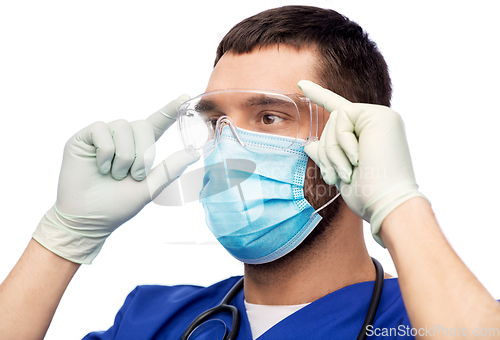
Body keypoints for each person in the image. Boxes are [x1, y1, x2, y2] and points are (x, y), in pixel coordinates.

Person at [0, 5, 499, 340]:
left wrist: (397, 204)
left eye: (268, 117)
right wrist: (62, 239)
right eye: (216, 121)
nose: (228, 149)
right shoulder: (155, 320)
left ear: (358, 135)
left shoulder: (428, 318)